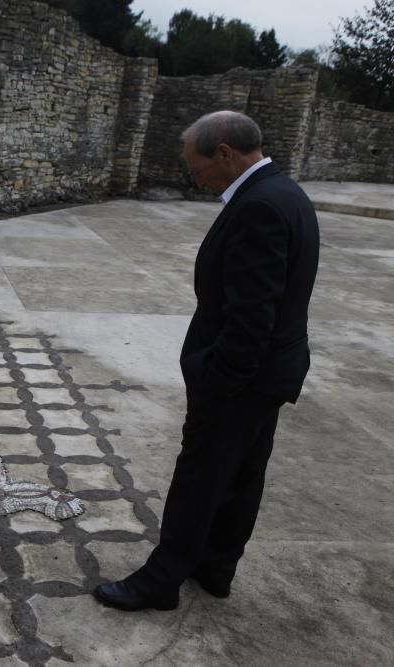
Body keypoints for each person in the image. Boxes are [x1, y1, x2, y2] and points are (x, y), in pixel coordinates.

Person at [94, 110, 320, 611]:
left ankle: (161, 581)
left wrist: (218, 379)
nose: (196, 179)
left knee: (202, 476)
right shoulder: (287, 192)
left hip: (242, 377)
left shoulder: (259, 205)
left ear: (224, 154)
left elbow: (251, 315)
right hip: (271, 373)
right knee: (242, 476)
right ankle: (216, 567)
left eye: (198, 169)